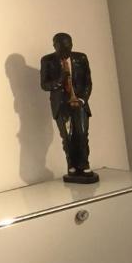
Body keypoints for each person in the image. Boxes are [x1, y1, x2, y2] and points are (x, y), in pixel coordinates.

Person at [40, 32, 98, 183]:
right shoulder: (47, 61)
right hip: (61, 104)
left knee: (82, 134)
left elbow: (88, 82)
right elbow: (44, 85)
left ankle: (84, 165)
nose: (67, 51)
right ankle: (72, 166)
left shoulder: (81, 58)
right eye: (63, 48)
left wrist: (82, 99)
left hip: (79, 103)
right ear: (55, 46)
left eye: (69, 46)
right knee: (67, 137)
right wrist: (60, 79)